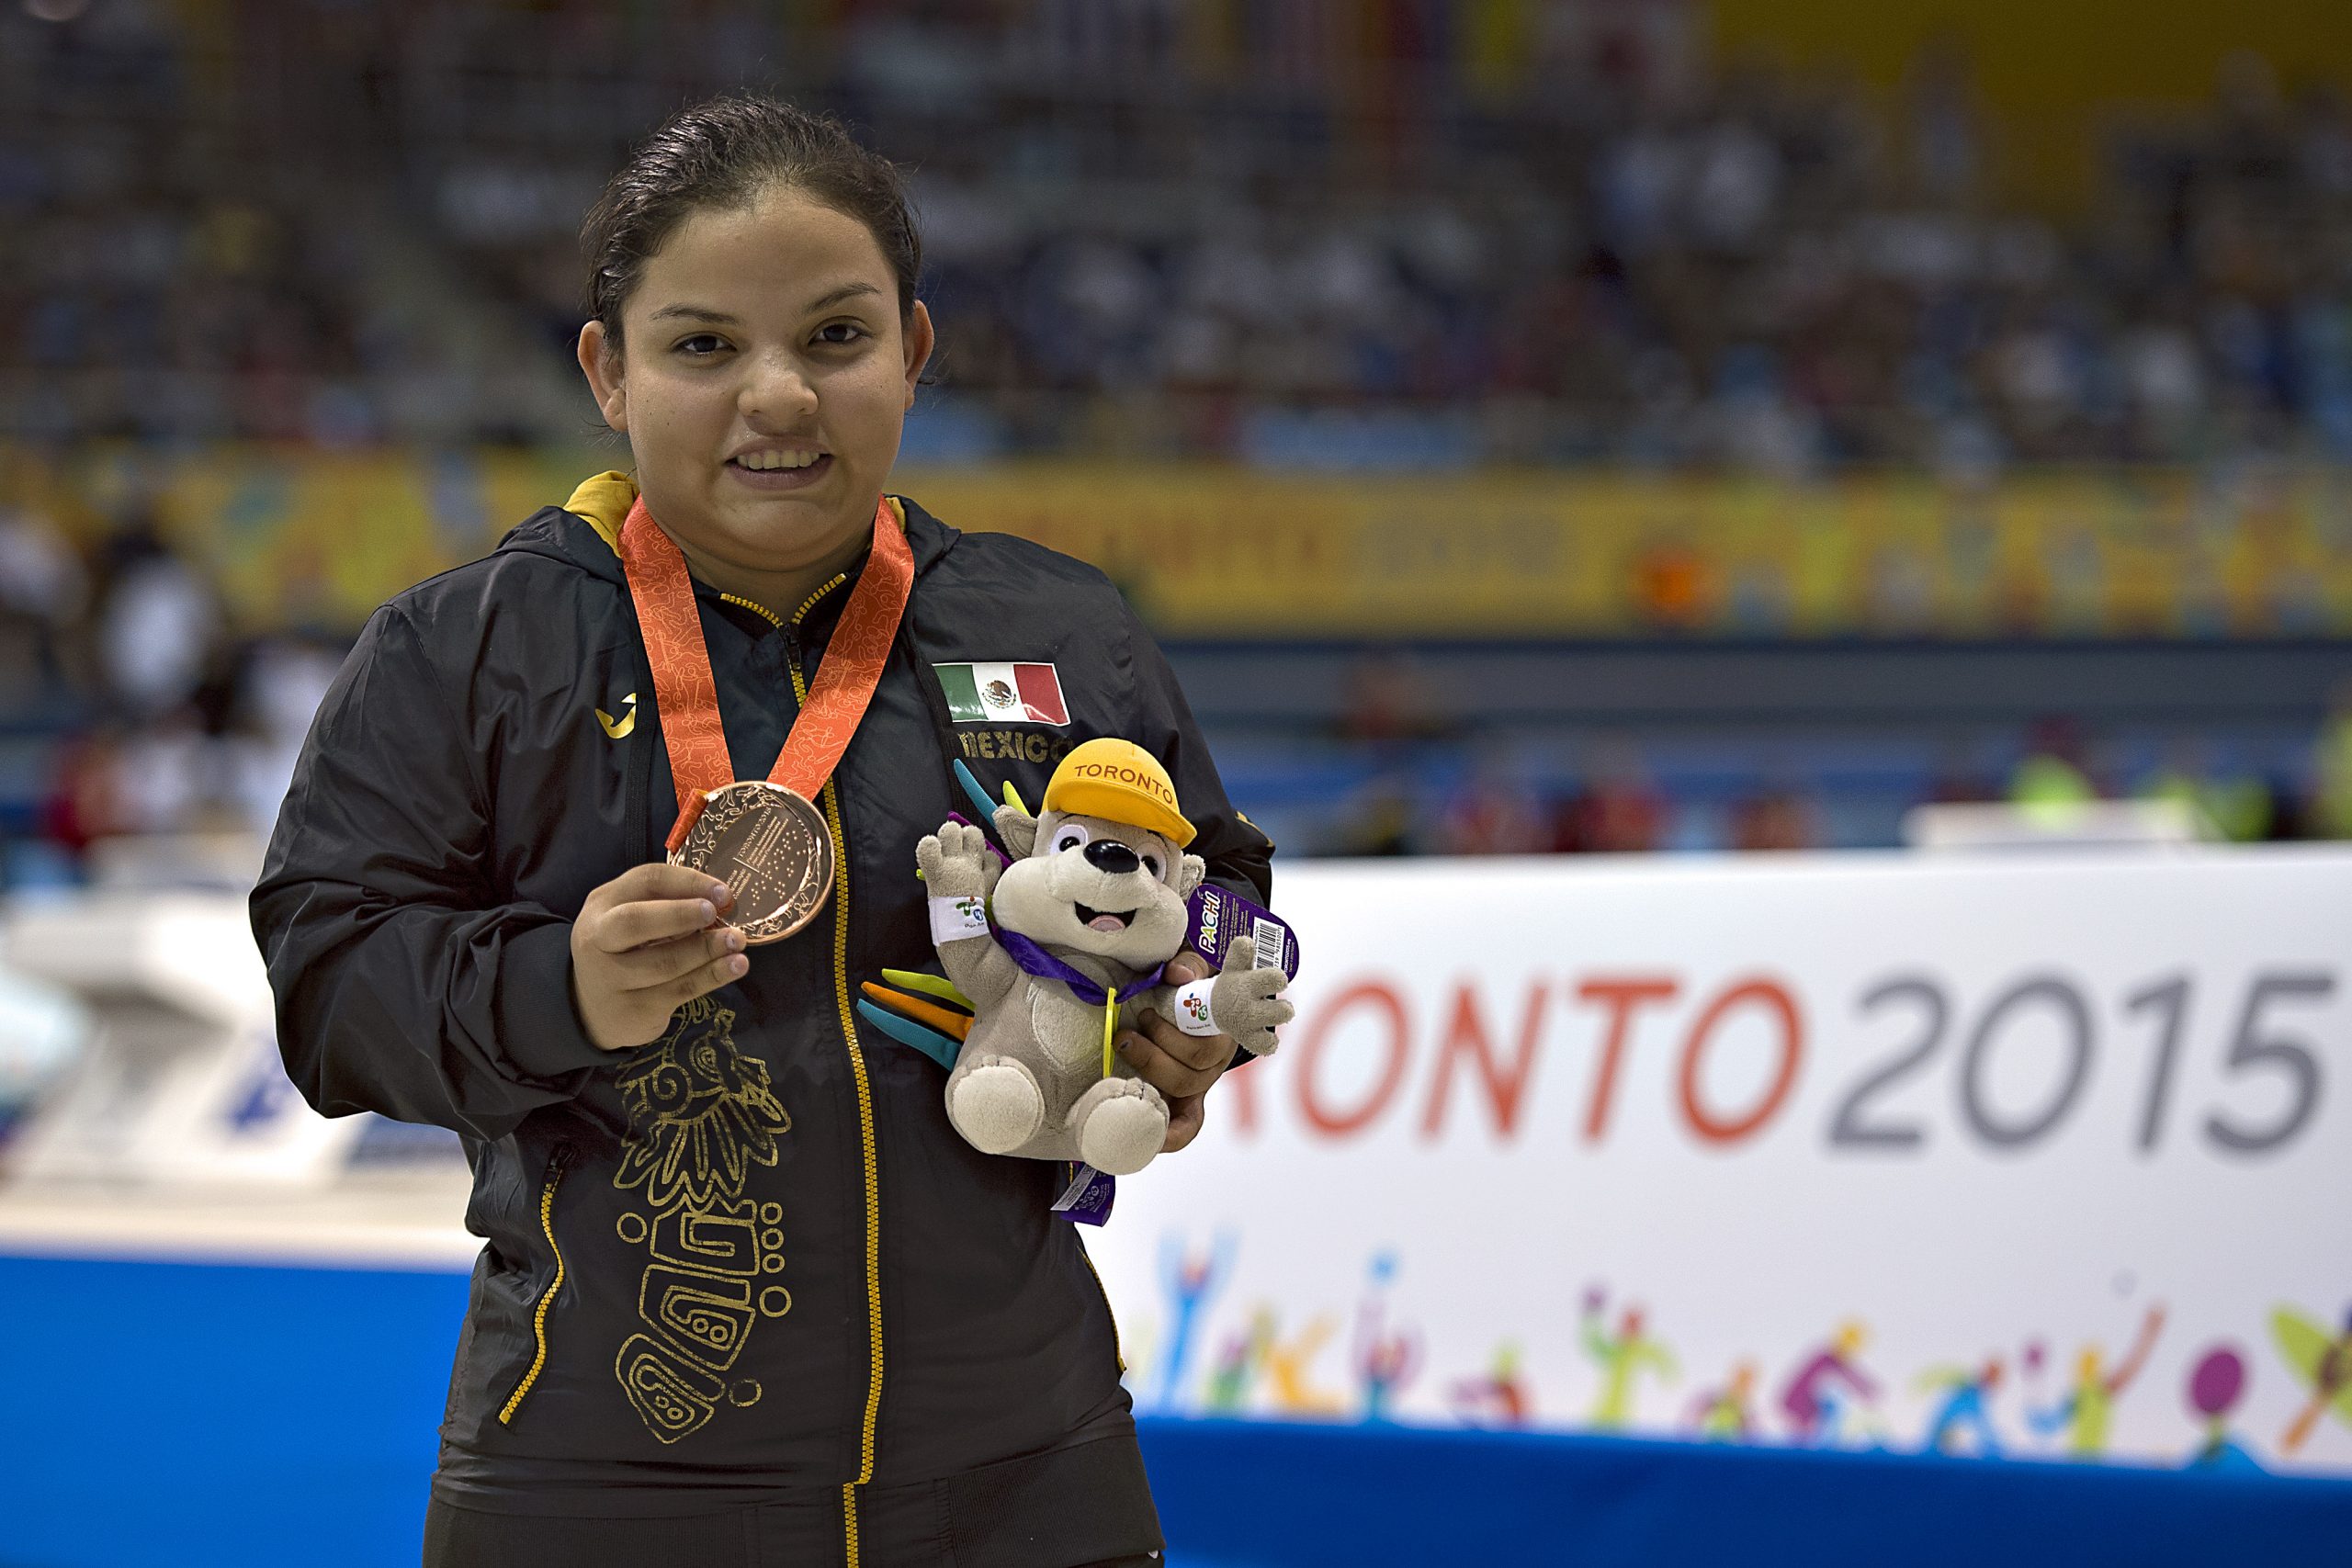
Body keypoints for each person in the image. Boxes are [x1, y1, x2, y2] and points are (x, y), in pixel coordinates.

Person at [250, 96, 1272, 1568]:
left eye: (836, 338)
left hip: (1023, 1466)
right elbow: (326, 982)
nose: (779, 395)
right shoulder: (467, 650)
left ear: (914, 352)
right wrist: (562, 989)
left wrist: (1186, 1021)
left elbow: (1219, 875)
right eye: (705, 346)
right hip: (601, 1475)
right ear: (609, 372)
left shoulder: (1058, 630)